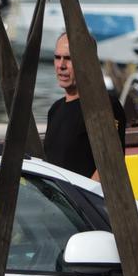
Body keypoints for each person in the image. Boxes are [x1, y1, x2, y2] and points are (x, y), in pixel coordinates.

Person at [43, 33, 127, 180]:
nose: (61, 65)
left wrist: (79, 200)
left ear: (87, 62)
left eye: (68, 59)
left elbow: (110, 165)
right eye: (57, 57)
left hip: (83, 200)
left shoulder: (104, 106)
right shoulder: (55, 109)